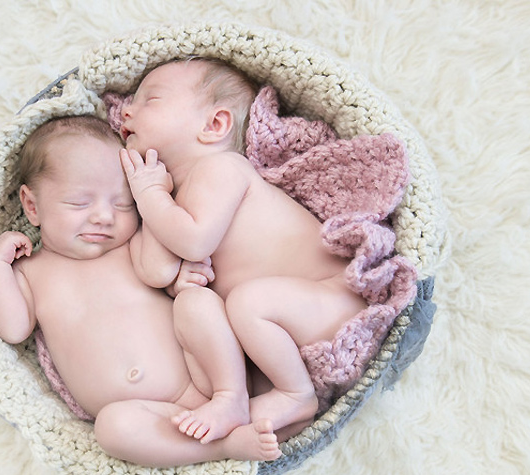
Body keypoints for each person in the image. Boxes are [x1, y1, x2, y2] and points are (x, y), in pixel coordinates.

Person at [0, 115, 281, 467]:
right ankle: (225, 446)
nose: (104, 217)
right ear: (32, 206)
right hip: (145, 416)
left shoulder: (129, 247)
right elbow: (13, 328)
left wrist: (152, 196)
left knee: (197, 302)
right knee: (111, 429)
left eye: (122, 204)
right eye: (80, 203)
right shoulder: (30, 273)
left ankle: (233, 398)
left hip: (200, 381)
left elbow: (162, 267)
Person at [119, 58, 368, 442]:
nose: (127, 110)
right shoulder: (166, 205)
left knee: (249, 301)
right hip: (274, 339)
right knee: (192, 307)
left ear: (214, 125)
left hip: (330, 301)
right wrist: (175, 278)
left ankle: (296, 395)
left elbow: (194, 240)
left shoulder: (222, 169)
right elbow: (155, 271)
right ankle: (244, 403)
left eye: (150, 100)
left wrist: (149, 194)